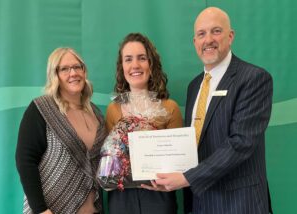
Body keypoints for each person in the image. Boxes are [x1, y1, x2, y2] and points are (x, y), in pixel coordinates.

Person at [143, 7, 273, 214]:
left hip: (239, 203)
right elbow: (194, 145)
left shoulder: (253, 79)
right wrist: (167, 174)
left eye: (216, 31)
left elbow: (241, 143)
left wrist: (186, 178)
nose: (208, 40)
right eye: (201, 34)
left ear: (230, 36)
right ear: (195, 42)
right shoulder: (194, 86)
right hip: (200, 201)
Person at [16, 47, 107, 214]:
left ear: (84, 71)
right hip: (52, 209)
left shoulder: (97, 114)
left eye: (77, 67)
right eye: (64, 69)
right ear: (54, 75)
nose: (73, 73)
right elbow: (25, 160)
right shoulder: (41, 109)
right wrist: (40, 210)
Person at [105, 33, 183, 214]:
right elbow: (110, 160)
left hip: (159, 196)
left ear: (151, 64)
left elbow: (178, 163)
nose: (135, 65)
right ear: (122, 67)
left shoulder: (169, 108)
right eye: (128, 59)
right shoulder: (113, 109)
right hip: (122, 199)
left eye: (142, 58)